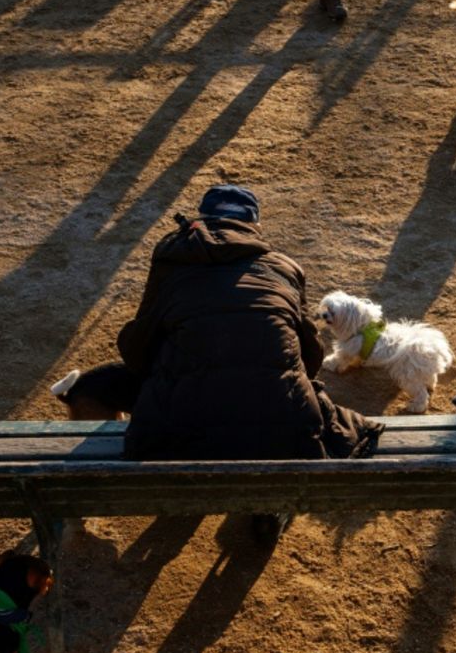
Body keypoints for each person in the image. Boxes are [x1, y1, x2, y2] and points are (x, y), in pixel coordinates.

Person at [116, 185, 381, 541]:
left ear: (202, 220)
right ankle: (269, 505)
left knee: (186, 405)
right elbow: (310, 355)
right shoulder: (284, 268)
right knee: (278, 412)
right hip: (283, 426)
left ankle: (188, 497)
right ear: (253, 225)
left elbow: (138, 346)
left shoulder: (171, 263)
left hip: (182, 425)